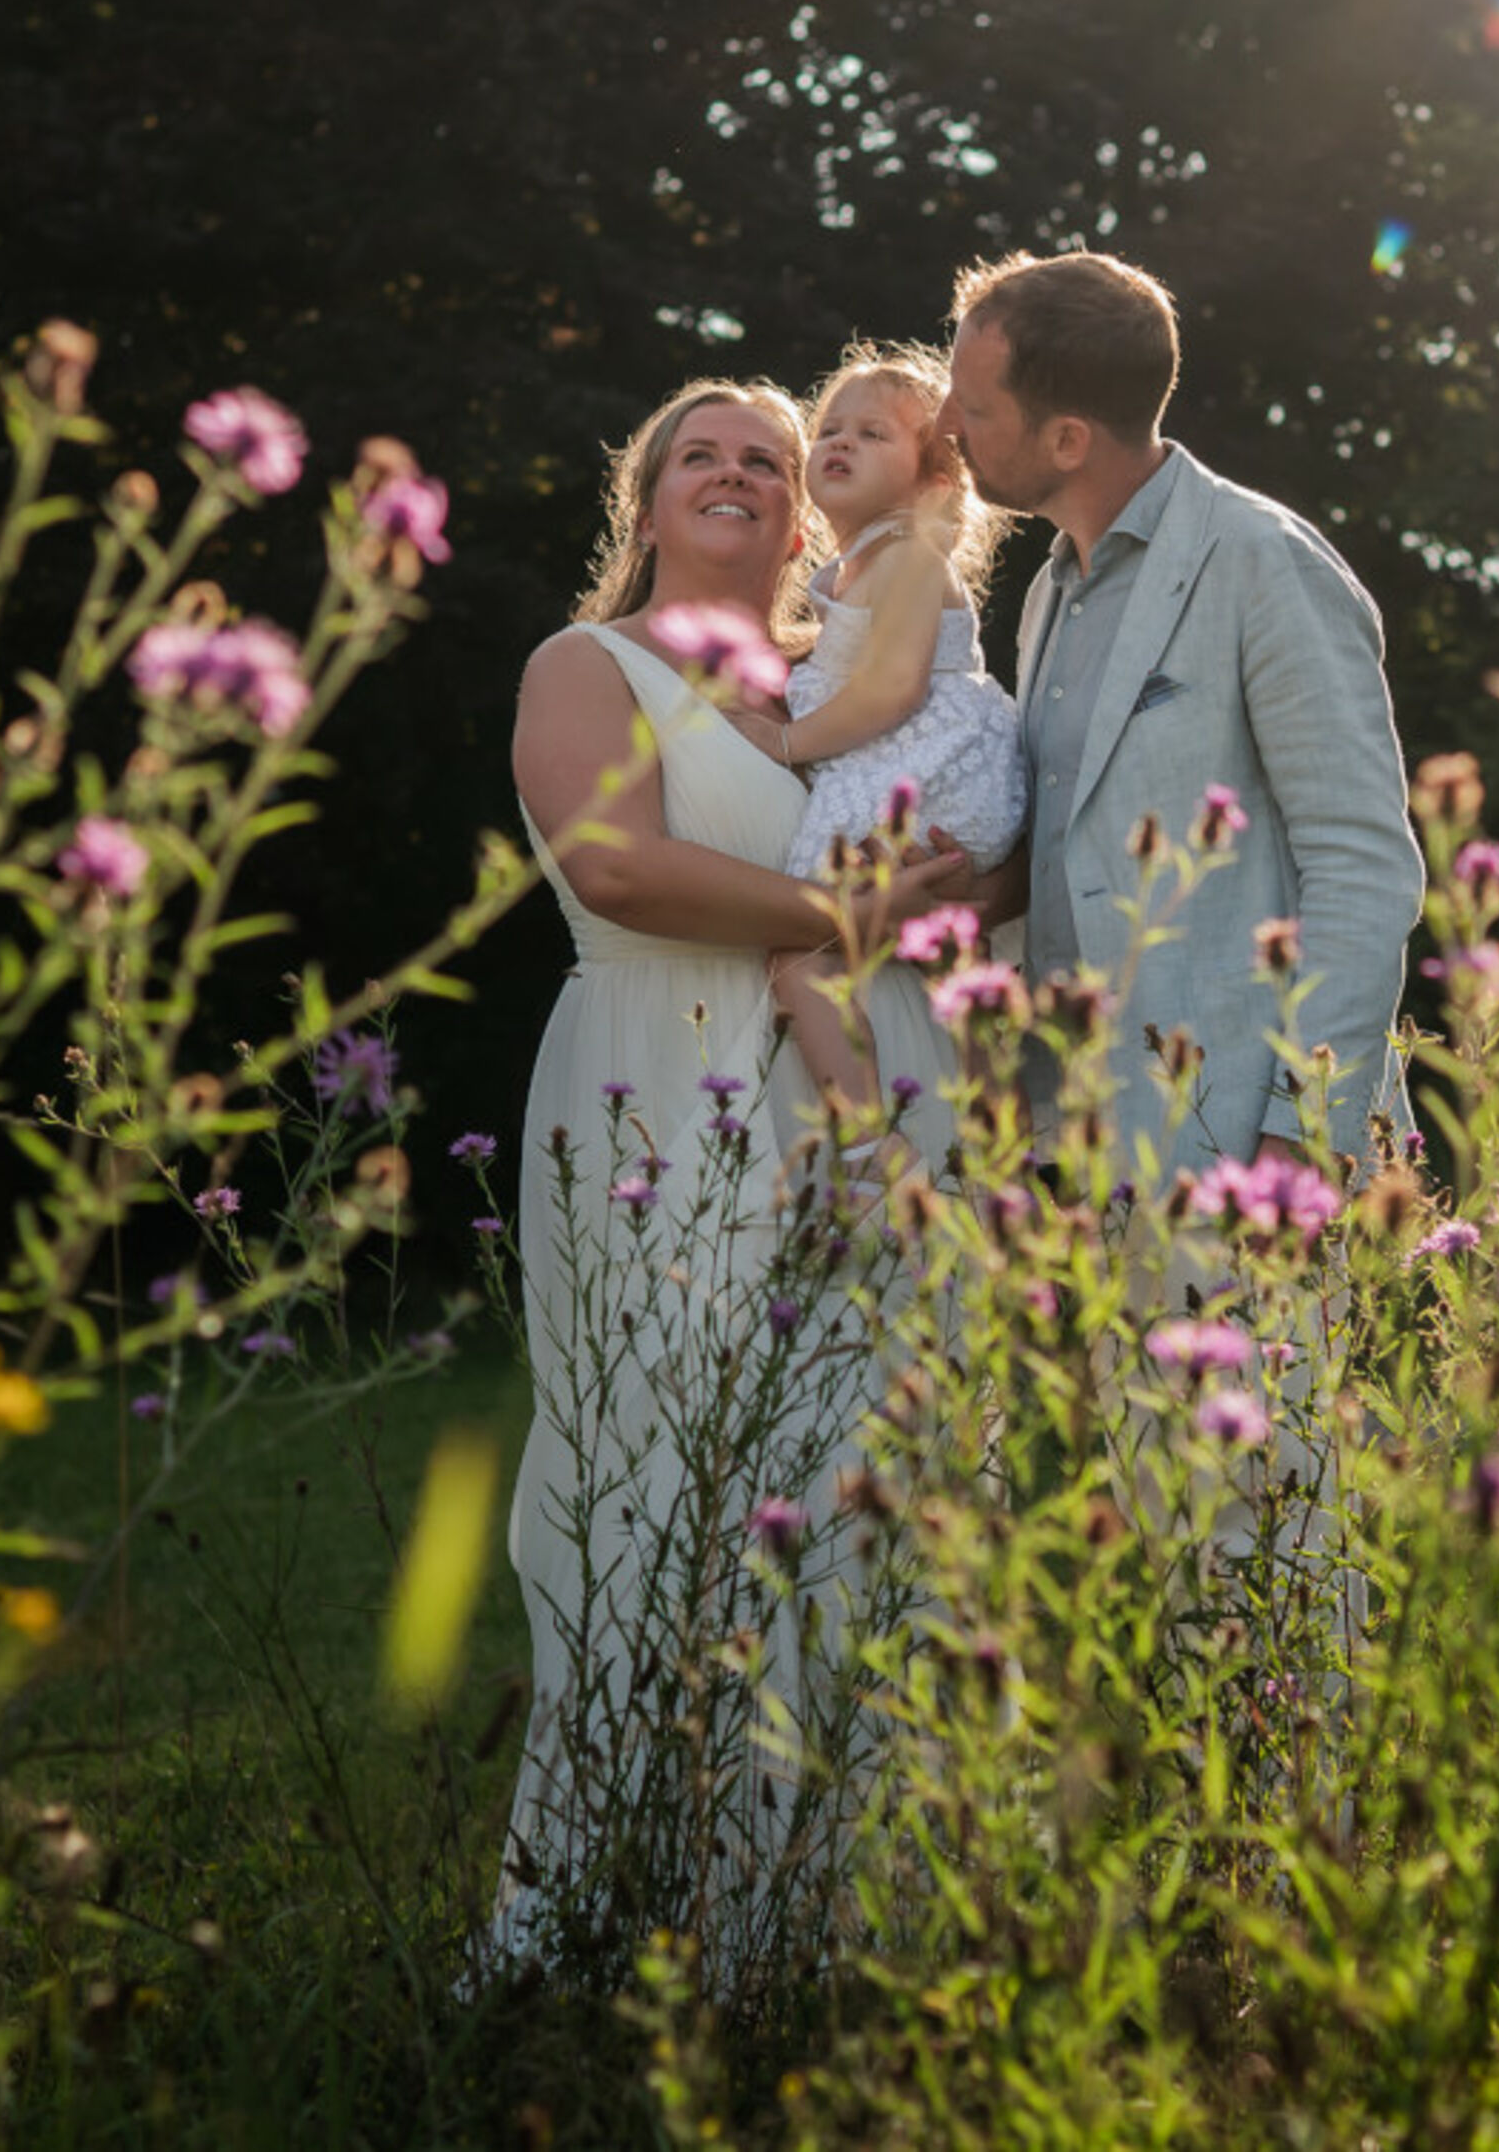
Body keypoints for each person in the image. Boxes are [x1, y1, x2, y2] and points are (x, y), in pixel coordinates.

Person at [479, 378, 968, 1990]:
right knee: (656, 1467)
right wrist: (845, 919)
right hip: (656, 1088)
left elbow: (970, 838)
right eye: (703, 453)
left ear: (809, 507)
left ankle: (811, 1920)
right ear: (648, 500)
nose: (741, 472)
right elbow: (611, 862)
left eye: (769, 455)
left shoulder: (858, 676)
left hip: (864, 1098)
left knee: (849, 1480)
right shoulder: (588, 665)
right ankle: (605, 1900)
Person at [941, 251, 1424, 1181]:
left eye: (977, 408)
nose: (946, 424)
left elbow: (1362, 866)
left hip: (1240, 1144)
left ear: (1069, 439)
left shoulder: (1261, 562)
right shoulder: (1050, 591)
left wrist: (1303, 1139)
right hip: (1069, 1148)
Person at [761, 344, 1023, 1128]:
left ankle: (866, 1138)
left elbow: (891, 689)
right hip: (923, 776)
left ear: (935, 482)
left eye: (874, 434)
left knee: (799, 951)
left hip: (935, 775)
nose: (839, 442)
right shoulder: (855, 567)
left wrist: (782, 744)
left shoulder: (907, 551)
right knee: (939, 952)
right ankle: (994, 1132)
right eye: (831, 428)